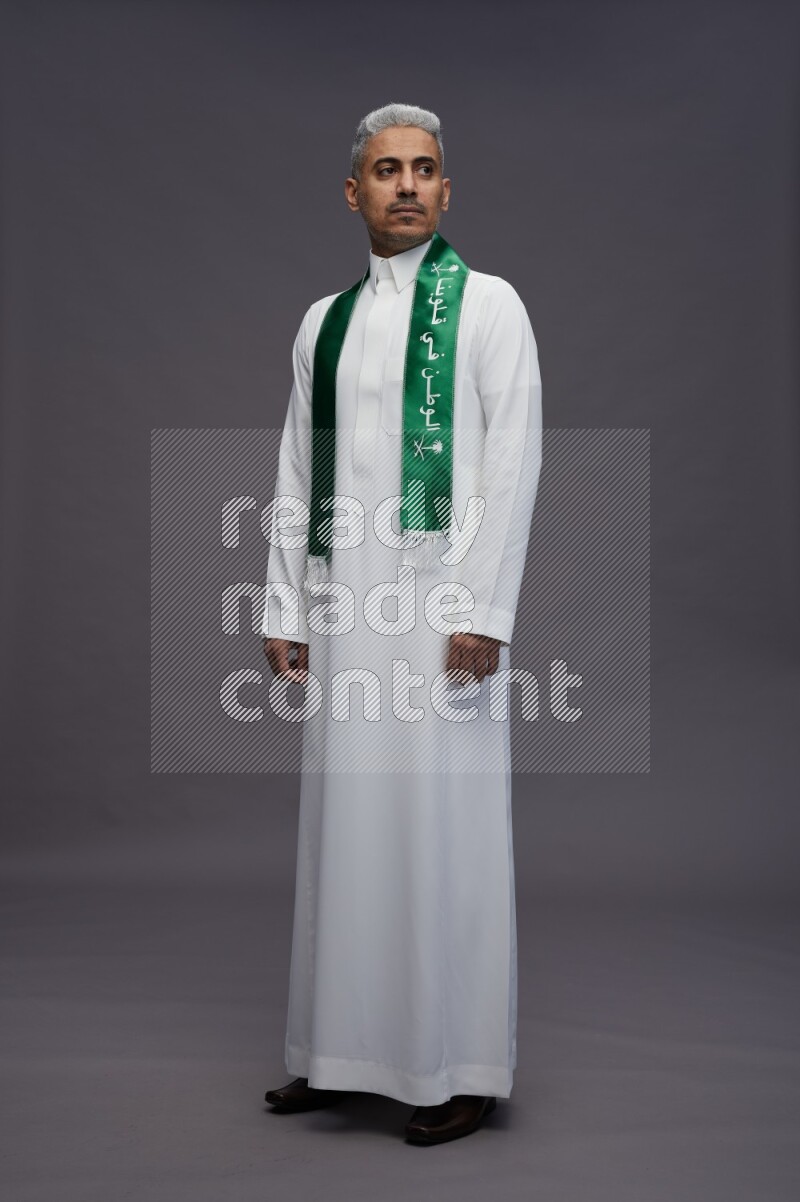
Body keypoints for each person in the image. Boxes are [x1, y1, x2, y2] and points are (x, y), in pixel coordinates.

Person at [260, 102, 542, 1145]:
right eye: (387, 170)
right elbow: (296, 468)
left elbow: (512, 466)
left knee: (445, 828)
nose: (408, 185)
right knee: (347, 825)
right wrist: (283, 602)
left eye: (425, 169)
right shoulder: (319, 322)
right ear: (354, 192)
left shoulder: (489, 307)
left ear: (446, 189)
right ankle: (338, 1052)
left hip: (438, 611)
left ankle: (461, 1061)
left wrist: (482, 610)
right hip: (347, 607)